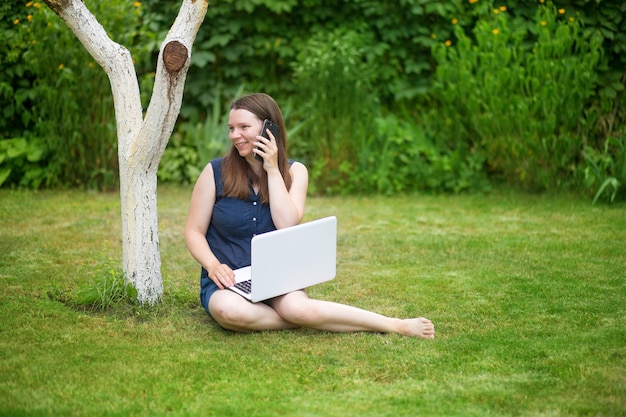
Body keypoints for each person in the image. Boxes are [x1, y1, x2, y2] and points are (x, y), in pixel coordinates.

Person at [185, 93, 435, 338]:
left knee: (298, 307)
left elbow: (286, 223)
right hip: (228, 280)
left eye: (243, 127)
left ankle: (394, 325)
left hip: (277, 275)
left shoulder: (296, 172)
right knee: (227, 311)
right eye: (231, 128)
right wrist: (213, 265)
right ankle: (303, 322)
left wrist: (272, 170)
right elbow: (194, 231)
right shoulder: (215, 171)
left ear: (268, 129)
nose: (235, 135)